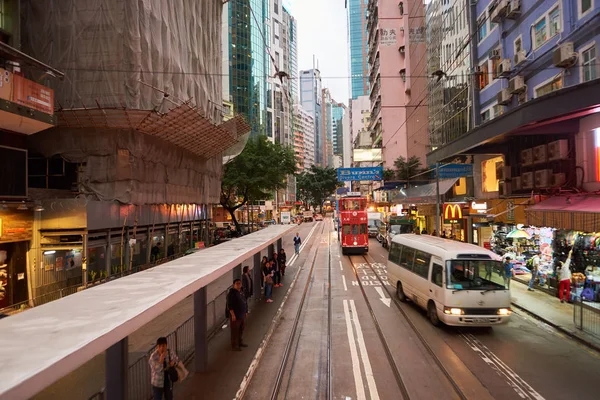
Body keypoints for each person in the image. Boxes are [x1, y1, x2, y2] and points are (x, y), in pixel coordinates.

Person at [227, 279, 248, 351]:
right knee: (235, 331)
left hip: (242, 315)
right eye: (237, 283)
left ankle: (240, 342)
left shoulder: (241, 292)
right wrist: (233, 315)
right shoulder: (231, 294)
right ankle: (234, 345)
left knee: (241, 329)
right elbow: (230, 306)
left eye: (240, 283)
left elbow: (245, 301)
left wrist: (246, 311)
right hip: (236, 316)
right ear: (234, 285)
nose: (239, 285)